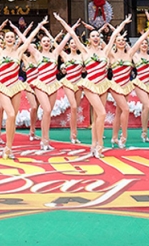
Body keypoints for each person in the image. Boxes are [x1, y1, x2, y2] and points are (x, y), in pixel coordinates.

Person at [55, 14, 131, 159]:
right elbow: (72, 34)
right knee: (102, 113)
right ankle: (100, 145)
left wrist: (123, 23)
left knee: (97, 116)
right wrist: (61, 21)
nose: (95, 37)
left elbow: (114, 35)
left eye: (97, 35)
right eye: (93, 36)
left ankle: (94, 145)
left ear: (100, 38)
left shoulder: (106, 51)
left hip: (103, 85)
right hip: (90, 85)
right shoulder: (84, 51)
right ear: (89, 39)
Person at [0, 17, 45, 159]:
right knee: (10, 114)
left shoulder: (19, 52)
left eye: (12, 37)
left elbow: (28, 40)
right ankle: (4, 144)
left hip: (16, 87)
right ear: (4, 39)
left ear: (15, 39)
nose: (10, 38)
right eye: (8, 37)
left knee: (13, 118)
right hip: (3, 87)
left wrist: (38, 26)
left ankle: (9, 148)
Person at [22, 29, 65, 152]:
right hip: (39, 85)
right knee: (44, 109)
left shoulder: (55, 53)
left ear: (51, 43)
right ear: (40, 44)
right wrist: (29, 29)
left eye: (48, 41)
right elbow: (25, 41)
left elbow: (67, 38)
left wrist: (66, 26)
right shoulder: (37, 54)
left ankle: (46, 139)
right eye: (44, 41)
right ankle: (41, 139)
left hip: (52, 85)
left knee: (48, 112)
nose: (46, 43)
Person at [59, 37, 86, 144]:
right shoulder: (65, 56)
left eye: (75, 43)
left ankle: (74, 135)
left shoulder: (82, 56)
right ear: (68, 45)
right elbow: (57, 47)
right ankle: (73, 135)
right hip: (68, 83)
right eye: (71, 43)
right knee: (73, 106)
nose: (74, 45)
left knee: (75, 109)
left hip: (79, 83)